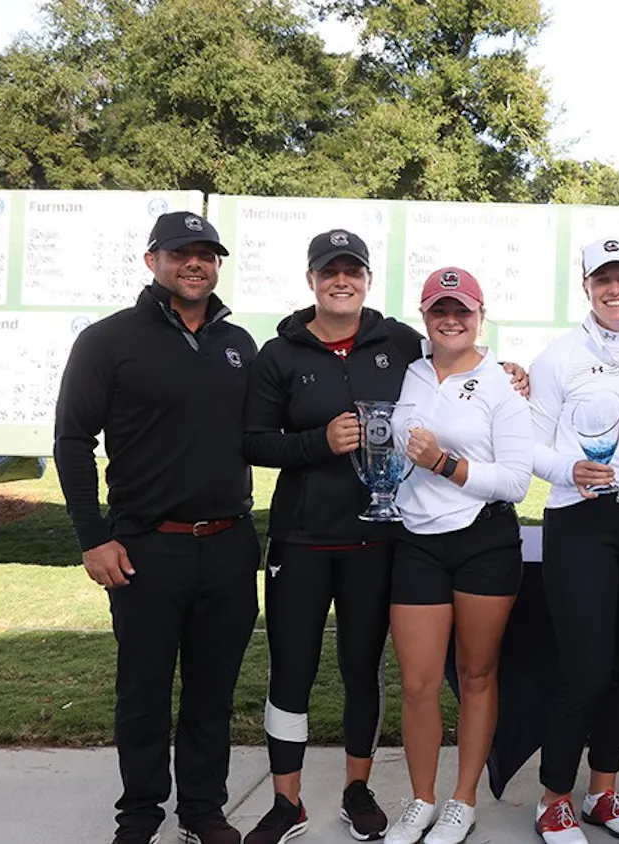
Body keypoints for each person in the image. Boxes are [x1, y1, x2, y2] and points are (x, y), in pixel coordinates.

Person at [54, 212, 258, 844]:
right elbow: (71, 441)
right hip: (145, 548)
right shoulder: (108, 340)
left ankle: (201, 811)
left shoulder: (239, 344)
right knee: (143, 693)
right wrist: (93, 537)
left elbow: (274, 427)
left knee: (212, 693)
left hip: (227, 545)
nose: (195, 263)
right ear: (153, 260)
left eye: (206, 253)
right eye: (181, 253)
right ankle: (139, 816)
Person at [241, 230, 424, 843]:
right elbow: (255, 441)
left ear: (368, 279)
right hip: (302, 540)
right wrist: (317, 443)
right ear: (312, 279)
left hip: (375, 538)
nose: (340, 281)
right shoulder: (280, 354)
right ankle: (286, 800)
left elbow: (454, 371)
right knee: (292, 668)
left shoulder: (398, 341)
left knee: (360, 669)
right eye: (329, 272)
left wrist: (508, 370)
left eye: (352, 271)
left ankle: (357, 787)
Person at [529, 238, 619, 844]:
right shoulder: (559, 356)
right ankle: (553, 798)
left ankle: (603, 794)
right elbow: (530, 446)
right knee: (584, 668)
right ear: (585, 286)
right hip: (583, 516)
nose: (616, 289)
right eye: (603, 279)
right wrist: (569, 470)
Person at [383, 267, 534, 844]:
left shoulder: (501, 383)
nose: (452, 320)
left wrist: (446, 463)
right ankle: (420, 799)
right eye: (440, 310)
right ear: (424, 316)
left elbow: (517, 481)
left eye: (462, 311)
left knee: (475, 674)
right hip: (417, 539)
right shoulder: (410, 372)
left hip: (484, 540)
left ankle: (462, 800)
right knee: (418, 681)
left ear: (480, 316)